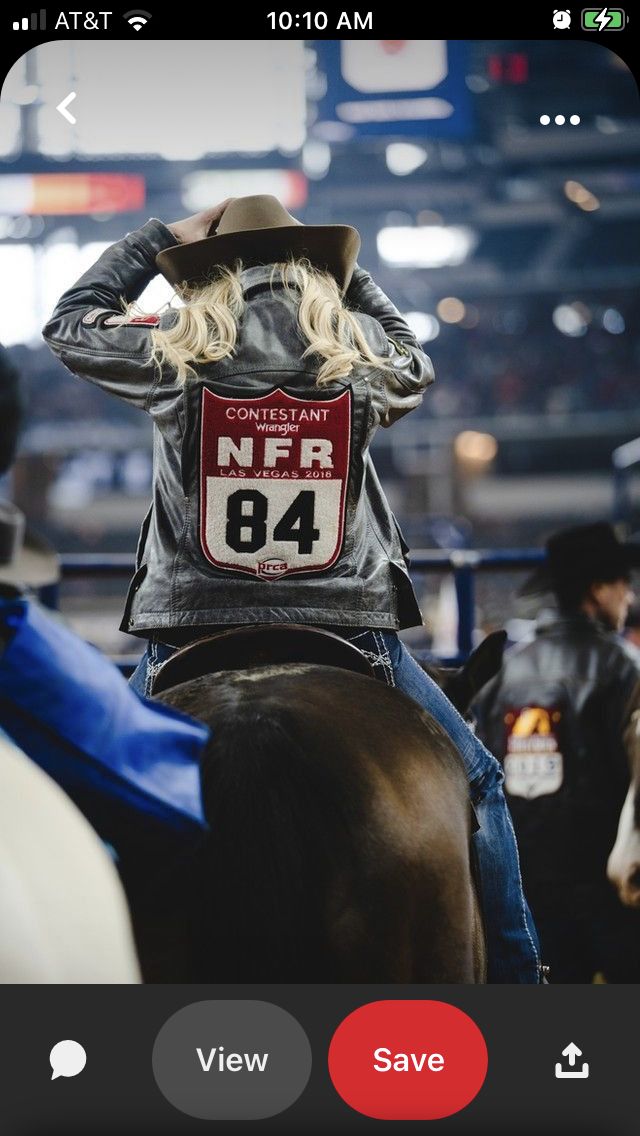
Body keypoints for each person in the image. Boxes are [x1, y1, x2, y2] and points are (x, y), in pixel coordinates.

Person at [43, 193, 542, 982]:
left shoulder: (173, 351)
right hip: (346, 622)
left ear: (210, 274)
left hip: (192, 624)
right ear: (316, 270)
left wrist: (155, 240)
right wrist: (345, 276)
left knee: (109, 792)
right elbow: (419, 352)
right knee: (475, 776)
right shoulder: (357, 356)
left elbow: (70, 321)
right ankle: (522, 980)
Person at [474, 522, 640, 982]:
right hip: (611, 891)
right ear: (597, 589)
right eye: (623, 584)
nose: (629, 596)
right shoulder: (624, 667)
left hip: (529, 887)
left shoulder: (505, 672)